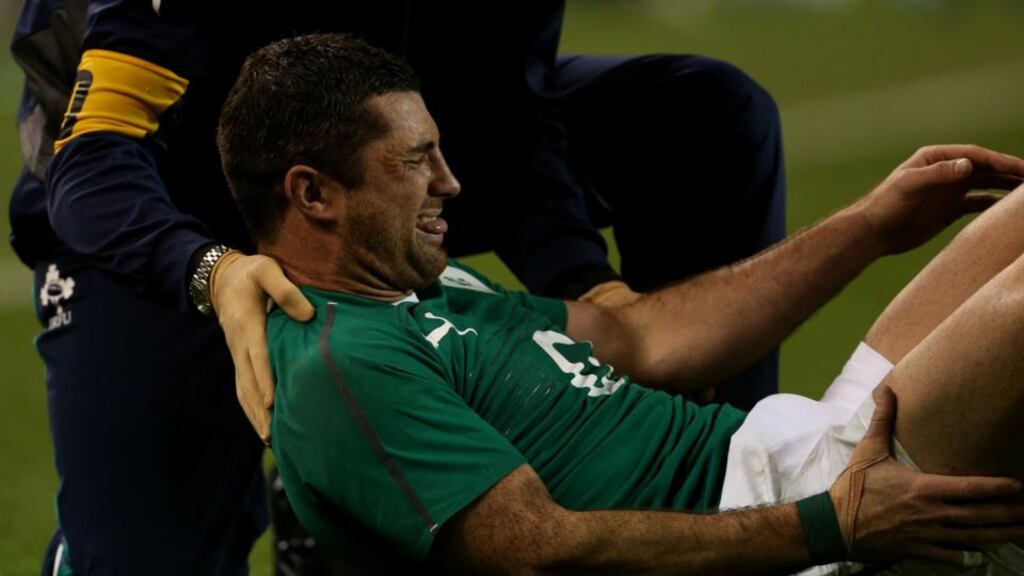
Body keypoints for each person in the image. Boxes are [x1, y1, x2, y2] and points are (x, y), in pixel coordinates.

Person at [11, 1, 785, 573]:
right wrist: (211, 270)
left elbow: (511, 118)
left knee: (708, 116)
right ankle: (333, 498)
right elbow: (93, 161)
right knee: (144, 558)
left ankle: (743, 487)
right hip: (156, 216)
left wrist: (593, 287)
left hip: (383, 169)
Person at [216, 33, 1024, 574]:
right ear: (313, 195)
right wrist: (833, 525)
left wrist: (871, 226)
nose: (449, 183)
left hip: (801, 456)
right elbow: (541, 550)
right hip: (802, 527)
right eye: (414, 161)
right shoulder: (341, 366)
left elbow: (641, 338)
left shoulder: (427, 287)